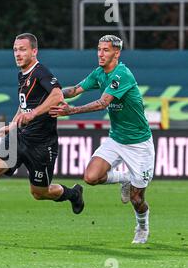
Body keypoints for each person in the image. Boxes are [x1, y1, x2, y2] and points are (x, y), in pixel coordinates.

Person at [0, 33, 85, 236]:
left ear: (34, 51)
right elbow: (24, 103)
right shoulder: (22, 74)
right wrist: (13, 124)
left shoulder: (41, 72)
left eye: (22, 49)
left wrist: (33, 114)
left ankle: (72, 193)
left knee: (39, 193)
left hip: (42, 145)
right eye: (15, 49)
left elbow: (57, 95)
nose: (18, 53)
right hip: (19, 138)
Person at [50, 35, 154, 244]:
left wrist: (72, 111)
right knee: (90, 177)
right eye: (99, 49)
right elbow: (75, 90)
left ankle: (142, 226)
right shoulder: (99, 73)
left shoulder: (122, 74)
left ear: (116, 53)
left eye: (105, 50)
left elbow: (102, 103)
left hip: (139, 144)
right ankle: (125, 178)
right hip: (116, 140)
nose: (100, 53)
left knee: (136, 199)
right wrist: (49, 93)